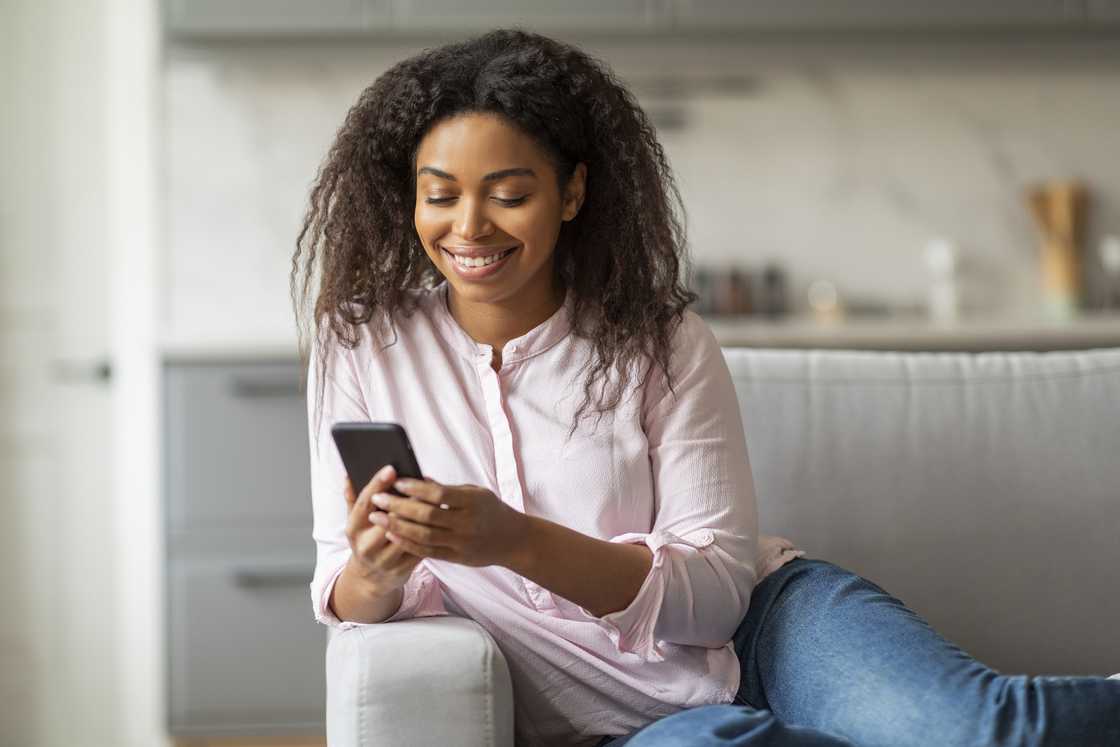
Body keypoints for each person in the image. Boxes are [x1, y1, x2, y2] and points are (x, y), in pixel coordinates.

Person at [290, 28, 1120, 747]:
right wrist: (378, 568)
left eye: (510, 195)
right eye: (439, 196)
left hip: (771, 629)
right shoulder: (363, 343)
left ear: (572, 192)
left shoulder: (658, 340)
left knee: (983, 732)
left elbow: (721, 597)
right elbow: (344, 589)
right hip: (647, 720)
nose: (469, 228)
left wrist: (512, 540)